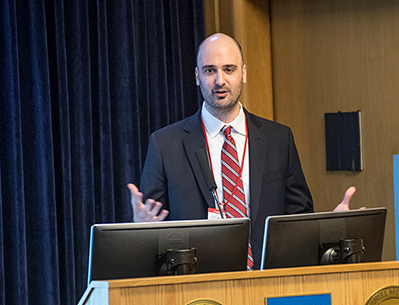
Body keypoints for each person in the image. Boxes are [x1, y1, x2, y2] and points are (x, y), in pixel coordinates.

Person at [127, 33, 357, 269]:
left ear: (243, 73)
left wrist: (332, 226)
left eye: (229, 69)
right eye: (209, 70)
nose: (220, 80)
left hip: (267, 284)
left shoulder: (279, 138)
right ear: (197, 76)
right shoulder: (166, 144)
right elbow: (154, 237)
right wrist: (141, 230)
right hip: (198, 289)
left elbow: (298, 219)